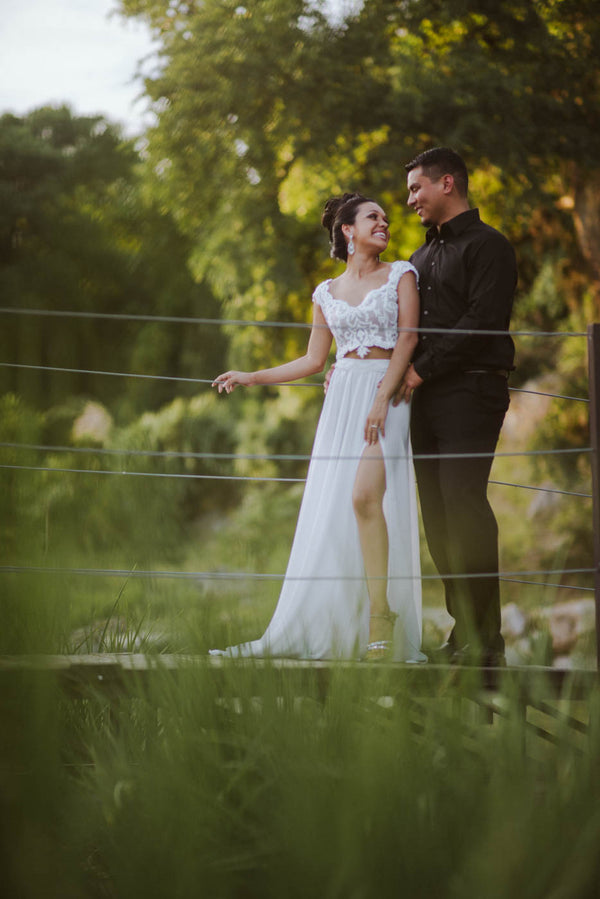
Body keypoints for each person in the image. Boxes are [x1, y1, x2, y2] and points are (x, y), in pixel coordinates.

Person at [210, 193, 426, 662]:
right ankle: (341, 621)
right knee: (338, 509)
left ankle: (380, 619)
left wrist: (383, 398)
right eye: (374, 217)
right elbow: (313, 360)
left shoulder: (402, 275)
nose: (384, 223)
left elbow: (408, 337)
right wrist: (251, 376)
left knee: (364, 497)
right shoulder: (325, 292)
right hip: (343, 395)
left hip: (385, 394)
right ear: (348, 230)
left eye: (386, 218)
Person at [396, 147, 517, 667]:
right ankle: (462, 634)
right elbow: (403, 329)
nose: (410, 201)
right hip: (424, 399)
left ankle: (488, 644)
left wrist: (423, 369)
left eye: (416, 189)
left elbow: (483, 321)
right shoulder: (418, 259)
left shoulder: (491, 247)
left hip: (471, 390)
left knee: (464, 504)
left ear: (447, 183)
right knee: (438, 516)